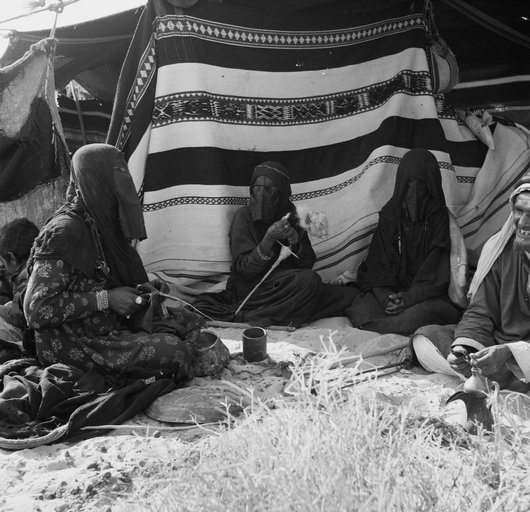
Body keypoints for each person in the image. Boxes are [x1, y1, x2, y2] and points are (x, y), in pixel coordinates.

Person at [23, 143, 203, 381]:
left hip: (108, 324)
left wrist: (142, 291)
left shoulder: (100, 221)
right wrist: (107, 299)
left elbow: (102, 276)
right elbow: (36, 311)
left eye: (123, 171)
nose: (124, 183)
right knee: (172, 349)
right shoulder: (66, 232)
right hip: (75, 342)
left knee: (192, 320)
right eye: (115, 173)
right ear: (94, 179)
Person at [196, 161, 356, 327]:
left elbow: (307, 263)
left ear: (283, 193)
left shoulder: (291, 215)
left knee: (349, 296)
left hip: (285, 286)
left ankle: (288, 309)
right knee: (310, 282)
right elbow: (243, 270)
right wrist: (268, 239)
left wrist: (295, 241)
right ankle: (250, 317)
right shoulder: (243, 217)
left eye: (269, 189)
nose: (261, 194)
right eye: (257, 188)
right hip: (252, 289)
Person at [411, 178, 530, 392]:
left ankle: (500, 378)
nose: (522, 223)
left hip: (521, 355)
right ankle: (493, 377)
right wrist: (465, 349)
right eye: (519, 211)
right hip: (497, 347)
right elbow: (481, 312)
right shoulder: (500, 251)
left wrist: (512, 352)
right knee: (425, 339)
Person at [345, 149, 462, 335]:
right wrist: (387, 298)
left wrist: (409, 298)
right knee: (362, 311)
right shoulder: (391, 216)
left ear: (431, 186)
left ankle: (396, 323)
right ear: (401, 185)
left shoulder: (438, 217)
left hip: (425, 295)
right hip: (392, 289)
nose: (414, 195)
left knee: (425, 313)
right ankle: (394, 321)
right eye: (408, 186)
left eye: (421, 186)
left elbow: (437, 271)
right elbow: (378, 265)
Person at [0, 218, 39, 352]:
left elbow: (17, 316)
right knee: (6, 306)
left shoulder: (25, 276)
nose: (2, 265)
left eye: (2, 261)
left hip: (32, 337)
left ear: (12, 258)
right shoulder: (39, 264)